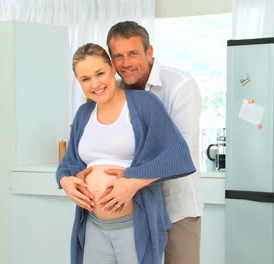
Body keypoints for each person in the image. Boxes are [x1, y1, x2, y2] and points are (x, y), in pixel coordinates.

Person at [56, 43, 196, 264]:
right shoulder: (84, 114)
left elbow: (178, 156)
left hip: (134, 224)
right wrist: (64, 180)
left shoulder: (144, 103)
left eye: (100, 73)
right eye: (86, 79)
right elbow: (70, 162)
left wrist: (132, 181)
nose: (95, 84)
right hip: (93, 224)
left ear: (112, 68)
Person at [106, 21, 203, 264]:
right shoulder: (113, 91)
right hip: (130, 208)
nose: (126, 63)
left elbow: (181, 154)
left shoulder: (180, 85)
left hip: (176, 207)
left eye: (133, 53)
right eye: (118, 56)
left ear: (149, 52)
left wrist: (131, 180)